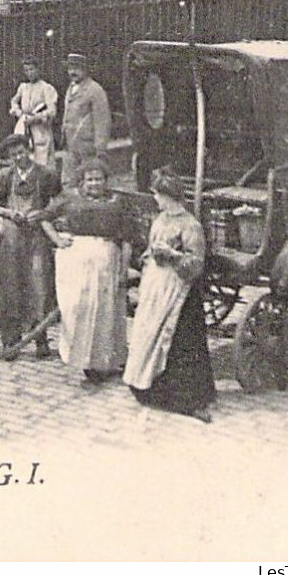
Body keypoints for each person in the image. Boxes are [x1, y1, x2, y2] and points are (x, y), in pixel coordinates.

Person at [125, 168, 215, 420]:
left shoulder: (190, 225)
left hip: (179, 290)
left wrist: (173, 255)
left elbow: (196, 263)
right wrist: (150, 255)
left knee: (180, 340)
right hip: (157, 285)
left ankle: (185, 397)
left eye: (157, 195)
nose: (155, 199)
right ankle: (150, 386)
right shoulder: (161, 219)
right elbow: (151, 247)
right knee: (149, 331)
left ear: (168, 196)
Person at [40, 160, 133, 382]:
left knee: (105, 312)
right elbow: (43, 217)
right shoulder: (70, 198)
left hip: (106, 261)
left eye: (98, 179)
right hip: (76, 262)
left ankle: (104, 363)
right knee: (77, 309)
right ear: (82, 181)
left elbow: (127, 239)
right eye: (90, 179)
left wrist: (123, 271)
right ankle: (81, 358)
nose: (94, 183)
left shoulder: (116, 202)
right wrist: (57, 239)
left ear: (105, 180)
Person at [0, 134, 61, 358]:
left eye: (21, 152)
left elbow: (59, 203)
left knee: (39, 288)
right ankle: (11, 342)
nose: (19, 158)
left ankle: (40, 340)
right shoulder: (4, 176)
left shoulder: (46, 174)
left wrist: (43, 214)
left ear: (29, 150)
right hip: (11, 239)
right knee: (11, 288)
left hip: (37, 239)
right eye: (13, 155)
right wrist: (10, 213)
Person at [61, 52, 111, 188]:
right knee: (70, 181)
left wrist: (100, 148)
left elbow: (102, 121)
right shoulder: (71, 88)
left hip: (88, 147)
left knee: (88, 181)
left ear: (85, 69)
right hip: (71, 145)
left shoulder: (95, 90)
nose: (73, 72)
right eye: (70, 68)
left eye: (77, 68)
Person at [9, 58, 59, 167]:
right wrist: (18, 112)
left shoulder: (46, 88)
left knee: (42, 161)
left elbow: (52, 111)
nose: (29, 73)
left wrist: (36, 118)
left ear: (38, 70)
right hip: (25, 128)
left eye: (32, 69)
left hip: (40, 130)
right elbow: (14, 101)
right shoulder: (23, 87)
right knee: (25, 158)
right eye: (26, 70)